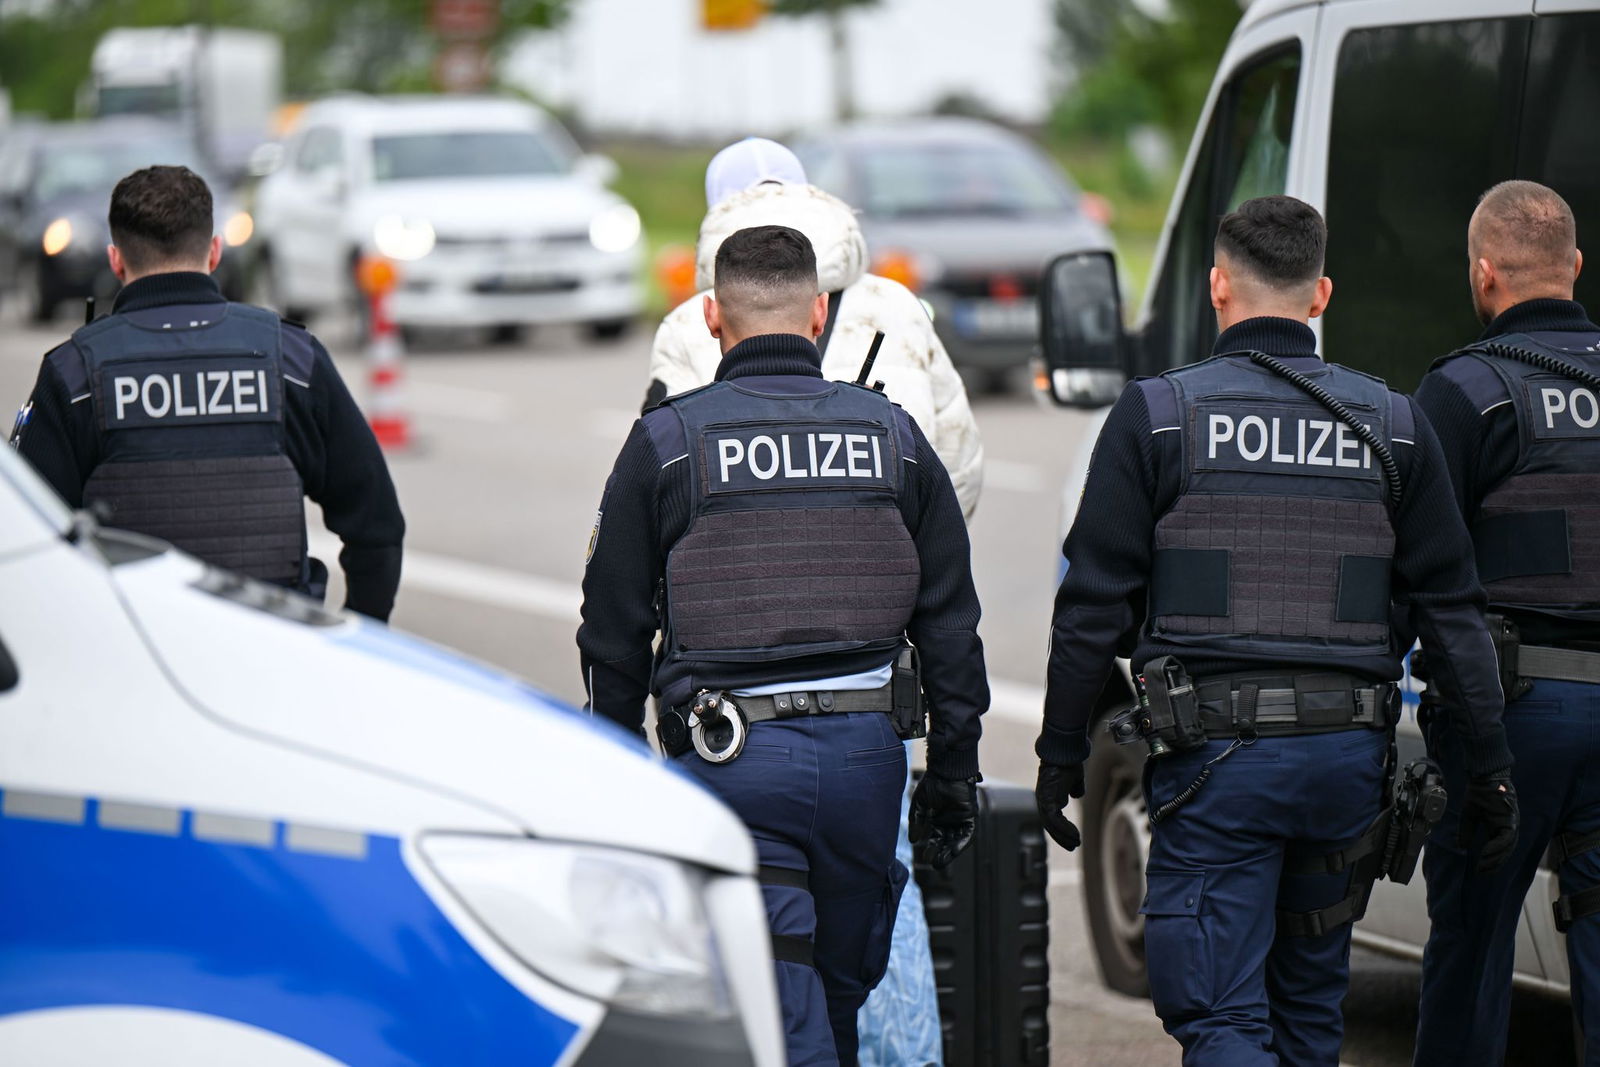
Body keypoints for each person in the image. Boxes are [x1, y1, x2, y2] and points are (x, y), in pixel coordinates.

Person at [1032, 195, 1514, 1064]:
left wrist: (1061, 751)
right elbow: (1452, 611)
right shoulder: (1395, 425)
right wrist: (1490, 763)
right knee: (1307, 1017)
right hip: (1346, 769)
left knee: (1221, 1015)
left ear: (1217, 285)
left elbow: (1093, 606)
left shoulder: (1160, 415)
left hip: (1217, 769)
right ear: (1320, 295)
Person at [579, 224, 987, 1066]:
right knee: (829, 1004)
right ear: (819, 313)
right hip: (865, 765)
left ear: (710, 317)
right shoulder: (892, 435)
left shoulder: (668, 441)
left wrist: (618, 776)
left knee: (785, 1014)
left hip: (734, 764)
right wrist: (954, 773)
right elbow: (950, 622)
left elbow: (612, 632)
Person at [10, 165, 404, 621]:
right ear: (215, 252)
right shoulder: (291, 359)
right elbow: (377, 524)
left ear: (116, 261)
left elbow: (24, 536)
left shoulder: (74, 372)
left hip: (136, 647)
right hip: (275, 646)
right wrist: (358, 634)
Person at [1413, 180, 1600, 1066]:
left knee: (1473, 946)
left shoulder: (1463, 391)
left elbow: (1415, 570)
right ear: (1575, 266)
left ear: (1485, 274)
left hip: (1508, 714)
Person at [646, 136, 984, 521]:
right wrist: (912, 547)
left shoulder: (690, 320)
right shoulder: (897, 302)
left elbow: (660, 475)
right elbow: (958, 459)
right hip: (891, 548)